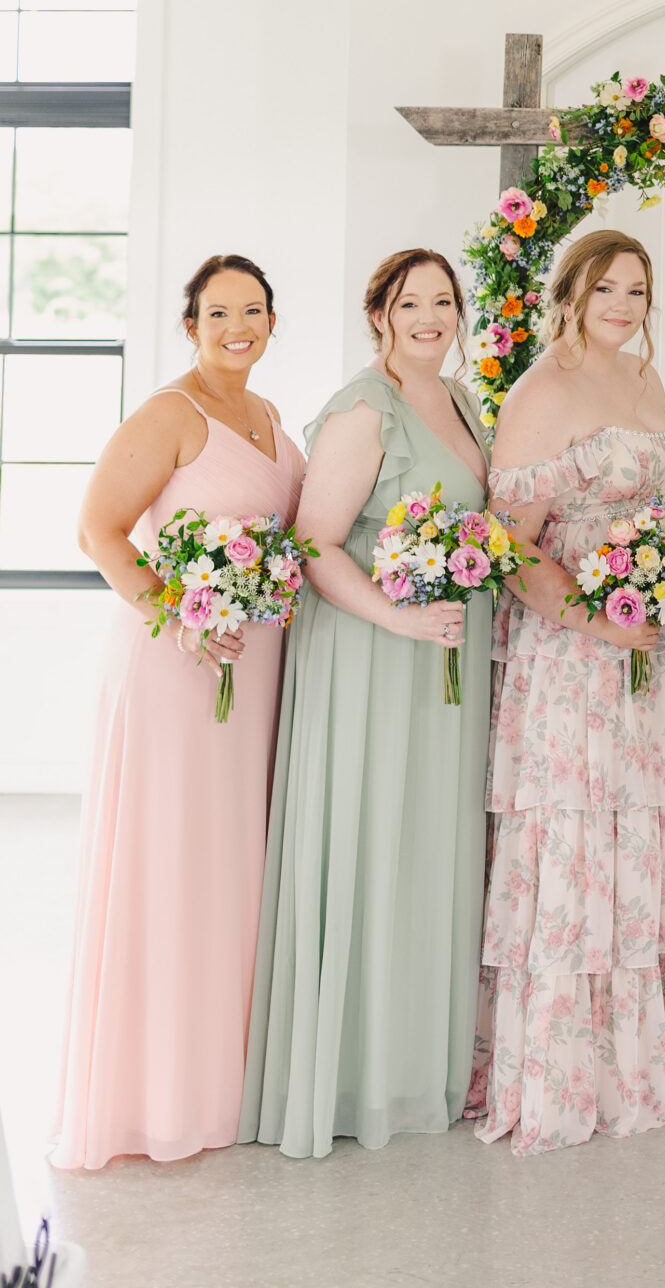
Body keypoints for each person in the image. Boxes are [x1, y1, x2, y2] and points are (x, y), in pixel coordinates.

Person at [241, 249, 493, 1159]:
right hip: (373, 653)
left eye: (443, 301)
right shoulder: (364, 405)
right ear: (378, 314)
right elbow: (315, 544)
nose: (429, 315)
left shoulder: (460, 400)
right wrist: (397, 619)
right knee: (373, 842)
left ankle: (417, 1064)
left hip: (444, 658)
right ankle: (352, 1075)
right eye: (409, 302)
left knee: (429, 850)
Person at [53, 256, 303, 1170]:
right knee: (170, 867)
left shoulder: (272, 417)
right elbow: (98, 531)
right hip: (174, 670)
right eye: (219, 312)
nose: (238, 326)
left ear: (273, 320)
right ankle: (151, 1099)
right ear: (191, 324)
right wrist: (179, 616)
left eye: (254, 310)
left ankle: (222, 1082)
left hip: (253, 676)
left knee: (230, 868)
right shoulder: (170, 413)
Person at [468, 229, 665, 1153]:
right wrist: (594, 620)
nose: (623, 303)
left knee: (642, 834)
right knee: (580, 837)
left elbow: (654, 507)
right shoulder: (542, 391)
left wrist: (664, 585)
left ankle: (649, 1055)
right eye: (607, 287)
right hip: (573, 661)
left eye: (638, 290)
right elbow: (512, 544)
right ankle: (573, 1073)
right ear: (571, 291)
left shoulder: (643, 380)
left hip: (651, 651)